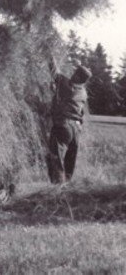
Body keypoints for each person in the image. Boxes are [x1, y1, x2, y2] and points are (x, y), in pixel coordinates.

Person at [46, 55, 92, 184]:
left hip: (63, 126)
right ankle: (67, 187)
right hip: (75, 129)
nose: (72, 75)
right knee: (69, 162)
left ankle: (57, 190)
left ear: (77, 77)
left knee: (56, 158)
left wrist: (49, 53)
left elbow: (54, 71)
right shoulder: (83, 92)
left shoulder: (67, 86)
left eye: (75, 73)